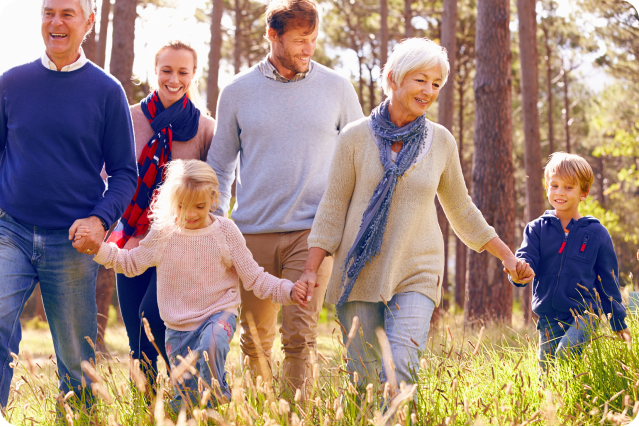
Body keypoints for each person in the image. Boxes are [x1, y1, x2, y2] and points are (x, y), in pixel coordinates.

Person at [300, 38, 533, 394]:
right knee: (363, 380)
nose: (429, 90)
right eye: (420, 79)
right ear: (394, 78)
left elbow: (461, 208)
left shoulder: (441, 142)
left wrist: (506, 255)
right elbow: (332, 209)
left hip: (418, 270)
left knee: (402, 371)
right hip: (360, 269)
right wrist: (309, 271)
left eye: (436, 83)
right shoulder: (354, 138)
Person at [206, 0, 363, 396]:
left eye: (312, 39)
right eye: (298, 40)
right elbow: (221, 167)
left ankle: (296, 417)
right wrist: (216, 224)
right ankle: (263, 414)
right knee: (254, 338)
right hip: (251, 234)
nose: (308, 49)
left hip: (312, 234)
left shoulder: (337, 88)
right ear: (272, 36)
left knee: (300, 336)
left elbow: (361, 157)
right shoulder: (237, 91)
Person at [77, 159, 308, 409]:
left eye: (198, 206)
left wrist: (288, 290)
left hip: (218, 313)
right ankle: (193, 408)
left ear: (213, 199)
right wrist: (100, 250)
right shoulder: (163, 234)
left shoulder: (226, 232)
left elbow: (255, 277)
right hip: (178, 327)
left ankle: (219, 397)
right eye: (182, 206)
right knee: (185, 401)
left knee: (212, 343)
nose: (190, 214)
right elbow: (131, 263)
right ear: (171, 202)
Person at [0, 0, 137, 408]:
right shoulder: (11, 83)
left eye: (67, 13)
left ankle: (78, 418)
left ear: (89, 22)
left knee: (77, 360)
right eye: (48, 13)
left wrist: (100, 219)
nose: (56, 22)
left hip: (73, 242)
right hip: (12, 231)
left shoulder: (107, 91)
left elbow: (124, 174)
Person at [105, 40, 216, 387]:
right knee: (137, 337)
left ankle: (187, 400)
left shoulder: (204, 129)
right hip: (132, 241)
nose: (173, 78)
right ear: (155, 71)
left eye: (183, 71)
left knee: (153, 319)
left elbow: (213, 190)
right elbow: (107, 173)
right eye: (166, 70)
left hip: (177, 246)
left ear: (193, 75)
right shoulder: (128, 117)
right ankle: (147, 411)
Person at [509, 152, 630, 377]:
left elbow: (608, 281)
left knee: (565, 353)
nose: (559, 192)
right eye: (554, 185)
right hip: (548, 318)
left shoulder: (597, 233)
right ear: (547, 187)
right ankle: (562, 409)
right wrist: (520, 270)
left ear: (583, 193)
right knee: (546, 378)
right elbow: (526, 258)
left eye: (568, 187)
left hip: (584, 315)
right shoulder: (536, 229)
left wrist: (618, 322)